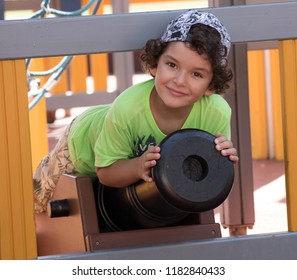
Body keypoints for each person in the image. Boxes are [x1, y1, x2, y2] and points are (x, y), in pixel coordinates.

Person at [33, 9, 239, 213]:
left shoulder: (216, 112)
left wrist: (222, 157)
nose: (179, 81)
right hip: (82, 147)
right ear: (155, 65)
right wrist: (137, 167)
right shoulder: (128, 108)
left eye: (196, 74)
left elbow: (208, 174)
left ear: (211, 86)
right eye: (172, 65)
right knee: (39, 200)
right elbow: (105, 172)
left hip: (127, 155)